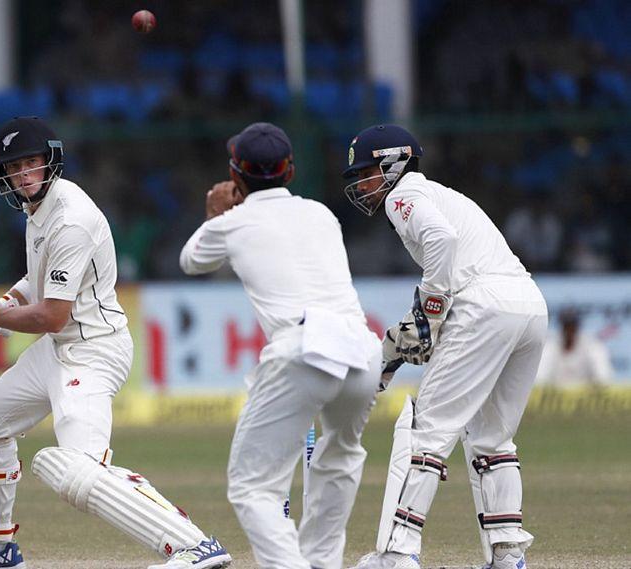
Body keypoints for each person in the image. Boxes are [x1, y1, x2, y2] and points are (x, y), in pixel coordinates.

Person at [0, 116, 231, 569]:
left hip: (93, 351)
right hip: (57, 352)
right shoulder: (36, 211)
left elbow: (53, 316)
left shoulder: (71, 218)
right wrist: (4, 303)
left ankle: (193, 545)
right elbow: (41, 284)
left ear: (50, 161)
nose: (24, 175)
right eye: (14, 168)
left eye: (32, 163)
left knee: (75, 467)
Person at [342, 125, 548, 569]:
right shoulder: (442, 194)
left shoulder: (405, 196)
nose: (360, 184)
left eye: (366, 173)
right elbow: (449, 270)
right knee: (493, 438)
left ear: (393, 164)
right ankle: (508, 555)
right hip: (528, 306)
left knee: (427, 431)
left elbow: (442, 242)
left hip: (484, 307)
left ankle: (398, 552)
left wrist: (430, 310)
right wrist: (390, 358)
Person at [179, 122, 381, 569]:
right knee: (340, 458)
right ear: (289, 171)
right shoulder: (321, 214)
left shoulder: (232, 223)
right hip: (362, 349)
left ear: (235, 176)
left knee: (253, 487)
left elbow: (191, 261)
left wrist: (216, 213)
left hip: (304, 348)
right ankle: (323, 563)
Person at [536, 308, 613, 387]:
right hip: (556, 396)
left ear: (577, 327)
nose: (569, 331)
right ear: (561, 327)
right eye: (566, 326)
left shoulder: (592, 346)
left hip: (586, 397)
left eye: (572, 326)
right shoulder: (550, 347)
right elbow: (540, 379)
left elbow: (604, 378)